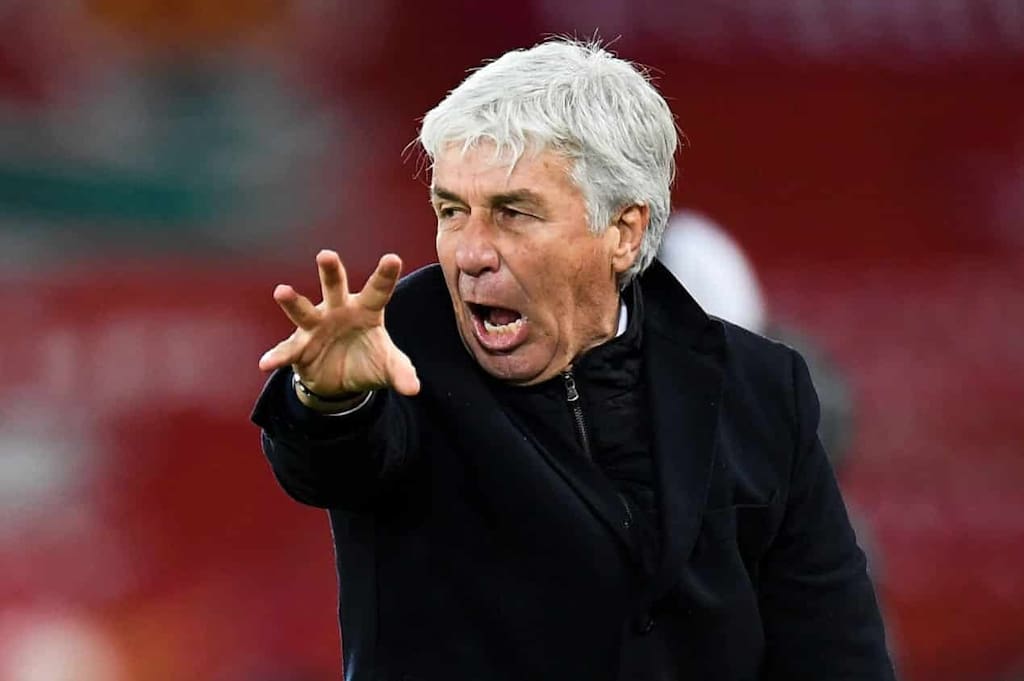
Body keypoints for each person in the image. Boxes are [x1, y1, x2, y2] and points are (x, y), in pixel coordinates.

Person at [252, 39, 895, 681]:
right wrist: (328, 400)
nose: (471, 253)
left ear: (624, 231)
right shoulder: (400, 349)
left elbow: (835, 647)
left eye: (513, 213)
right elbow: (331, 463)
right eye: (452, 210)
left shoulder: (759, 388)